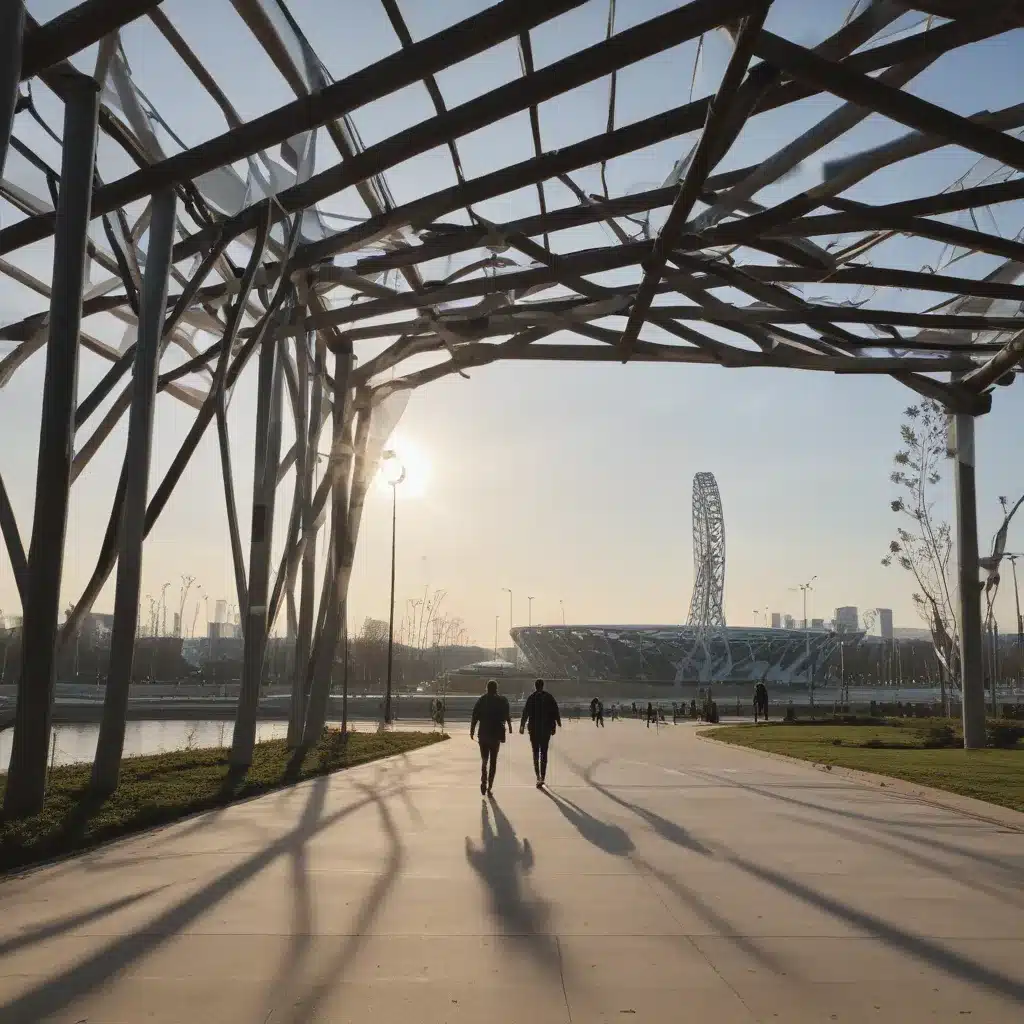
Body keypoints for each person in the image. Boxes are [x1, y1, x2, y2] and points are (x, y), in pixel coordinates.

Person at [470, 679, 512, 796]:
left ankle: (483, 770)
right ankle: (489, 786)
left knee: (485, 758)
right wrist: (509, 725)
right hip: (495, 735)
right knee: (493, 760)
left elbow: (475, 716)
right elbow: (506, 714)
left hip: (483, 734)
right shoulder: (501, 701)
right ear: (496, 689)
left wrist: (472, 730)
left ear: (487, 688)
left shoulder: (482, 700)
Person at [520, 678, 562, 787]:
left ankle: (538, 776)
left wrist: (522, 725)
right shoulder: (549, 697)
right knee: (544, 753)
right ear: (543, 686)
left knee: (535, 752)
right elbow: (555, 710)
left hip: (534, 730)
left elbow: (525, 712)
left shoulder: (531, 698)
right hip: (546, 729)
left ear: (535, 686)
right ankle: (542, 777)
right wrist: (557, 722)